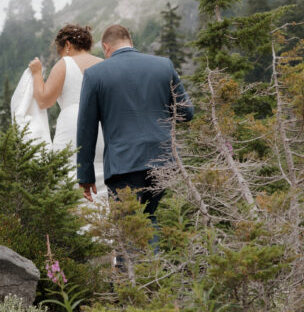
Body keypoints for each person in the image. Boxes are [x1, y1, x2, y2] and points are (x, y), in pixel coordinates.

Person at [76, 23, 193, 233]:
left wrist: (86, 176)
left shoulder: (95, 75)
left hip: (123, 163)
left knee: (127, 228)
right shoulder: (163, 65)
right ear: (131, 42)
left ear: (106, 47)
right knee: (150, 218)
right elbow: (186, 113)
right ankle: (154, 265)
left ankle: (130, 267)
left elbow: (87, 128)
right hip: (163, 159)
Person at [28, 24, 105, 192]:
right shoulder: (104, 64)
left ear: (68, 45)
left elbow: (44, 100)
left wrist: (36, 74)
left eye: (60, 50)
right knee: (103, 173)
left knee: (68, 174)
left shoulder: (65, 64)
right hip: (102, 127)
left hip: (73, 128)